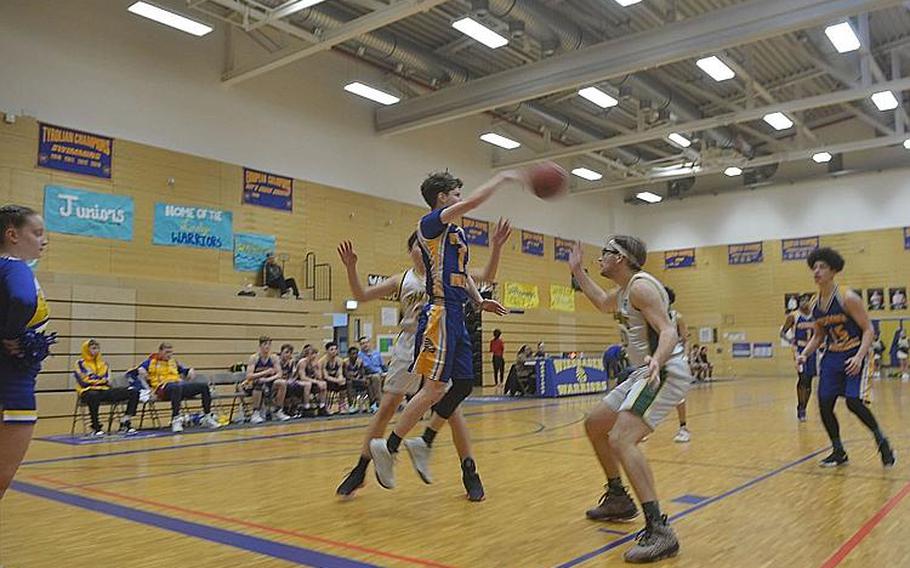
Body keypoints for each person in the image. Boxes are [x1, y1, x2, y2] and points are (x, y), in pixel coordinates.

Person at [366, 170, 518, 496]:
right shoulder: (430, 224)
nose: (461, 200)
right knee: (434, 389)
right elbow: (476, 201)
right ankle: (389, 447)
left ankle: (425, 440)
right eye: (456, 195)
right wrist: (503, 177)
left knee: (462, 384)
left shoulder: (457, 234)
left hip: (458, 314)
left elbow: (462, 274)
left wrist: (479, 301)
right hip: (438, 314)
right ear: (442, 198)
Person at [336, 218, 511, 501]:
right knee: (387, 407)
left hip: (441, 340)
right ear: (411, 251)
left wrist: (496, 247)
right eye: (419, 247)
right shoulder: (401, 279)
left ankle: (470, 471)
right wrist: (351, 267)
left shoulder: (448, 273)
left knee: (451, 411)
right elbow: (361, 295)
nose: (424, 251)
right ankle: (361, 468)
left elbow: (486, 274)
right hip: (409, 344)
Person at [569, 236, 692, 563]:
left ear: (621, 258)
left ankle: (659, 530)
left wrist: (657, 360)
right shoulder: (625, 292)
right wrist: (577, 271)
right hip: (642, 371)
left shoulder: (640, 287)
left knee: (622, 438)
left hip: (663, 369)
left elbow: (668, 331)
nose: (601, 259)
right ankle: (619, 498)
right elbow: (599, 300)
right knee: (595, 424)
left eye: (605, 254)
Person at [797, 247, 895, 468]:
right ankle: (838, 450)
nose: (816, 271)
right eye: (814, 267)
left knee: (853, 402)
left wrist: (860, 357)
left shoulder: (847, 297)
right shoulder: (814, 304)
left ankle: (882, 441)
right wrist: (804, 354)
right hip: (832, 356)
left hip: (855, 352)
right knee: (824, 403)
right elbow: (819, 335)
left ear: (833, 271)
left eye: (822, 267)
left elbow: (869, 329)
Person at [0, 205, 54, 500]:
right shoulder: (14, 267)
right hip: (12, 388)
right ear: (12, 235)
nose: (44, 240)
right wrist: (11, 335)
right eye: (37, 233)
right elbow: (22, 299)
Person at [136, 342, 220, 433]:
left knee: (203, 386)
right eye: (166, 352)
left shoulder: (173, 362)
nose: (169, 355)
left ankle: (207, 416)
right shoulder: (150, 361)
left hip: (179, 386)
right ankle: (176, 419)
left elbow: (184, 370)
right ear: (160, 351)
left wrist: (189, 370)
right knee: (176, 387)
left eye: (171, 352)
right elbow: (136, 371)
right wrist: (141, 371)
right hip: (162, 389)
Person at [74, 339, 139, 436]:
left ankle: (125, 421)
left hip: (104, 390)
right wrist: (100, 381)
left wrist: (96, 380)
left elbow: (108, 380)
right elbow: (83, 382)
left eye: (97, 348)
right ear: (86, 350)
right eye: (93, 348)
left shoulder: (104, 364)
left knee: (133, 392)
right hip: (87, 391)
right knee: (93, 396)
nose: (96, 351)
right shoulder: (79, 363)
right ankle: (96, 426)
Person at [780, 294, 817, 422]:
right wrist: (791, 340)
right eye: (802, 300)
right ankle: (800, 408)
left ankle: (804, 406)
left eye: (806, 300)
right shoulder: (793, 316)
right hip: (799, 350)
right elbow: (782, 332)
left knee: (809, 380)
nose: (804, 302)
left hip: (812, 349)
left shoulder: (815, 315)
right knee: (803, 377)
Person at [242, 336, 290, 424]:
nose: (267, 346)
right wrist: (265, 373)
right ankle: (255, 413)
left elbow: (279, 374)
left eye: (269, 344)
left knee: (282, 383)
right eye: (265, 344)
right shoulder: (254, 358)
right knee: (258, 383)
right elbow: (249, 376)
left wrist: (267, 379)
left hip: (268, 382)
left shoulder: (273, 357)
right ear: (260, 346)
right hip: (254, 383)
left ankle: (278, 410)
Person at [665, 288, 691, 444]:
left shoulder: (677, 317)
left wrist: (685, 357)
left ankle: (683, 428)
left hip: (675, 359)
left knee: (678, 397)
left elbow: (685, 339)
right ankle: (642, 430)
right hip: (657, 359)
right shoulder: (651, 315)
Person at [295, 344, 329, 416]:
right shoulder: (302, 362)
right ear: (307, 355)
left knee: (324, 384)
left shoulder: (316, 363)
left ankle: (322, 407)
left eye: (315, 354)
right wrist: (316, 381)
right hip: (297, 381)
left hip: (310, 381)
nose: (314, 356)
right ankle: (306, 407)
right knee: (308, 384)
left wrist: (315, 368)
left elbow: (319, 377)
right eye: (312, 354)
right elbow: (302, 377)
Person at [321, 342, 355, 414]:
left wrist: (340, 379)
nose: (334, 351)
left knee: (343, 382)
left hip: (334, 380)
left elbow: (340, 373)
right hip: (325, 380)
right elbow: (325, 376)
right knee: (325, 384)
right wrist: (337, 380)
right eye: (332, 349)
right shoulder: (323, 361)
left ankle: (341, 405)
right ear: (327, 351)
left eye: (335, 349)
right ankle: (326, 407)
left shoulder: (339, 360)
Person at [358, 337, 386, 412]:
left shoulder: (377, 353)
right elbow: (365, 368)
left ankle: (374, 403)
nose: (365, 345)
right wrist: (379, 373)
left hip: (380, 374)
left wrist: (385, 373)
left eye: (366, 342)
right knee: (374, 378)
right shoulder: (359, 355)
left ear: (369, 343)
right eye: (362, 344)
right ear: (360, 345)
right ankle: (379, 402)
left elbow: (383, 366)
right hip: (368, 375)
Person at [343, 346, 370, 412]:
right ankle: (351, 405)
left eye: (356, 353)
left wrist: (364, 379)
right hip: (350, 381)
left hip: (358, 380)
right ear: (349, 355)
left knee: (368, 382)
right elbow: (347, 376)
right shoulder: (345, 362)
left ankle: (369, 404)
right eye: (353, 354)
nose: (354, 355)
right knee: (349, 383)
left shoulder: (360, 361)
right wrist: (358, 379)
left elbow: (362, 374)